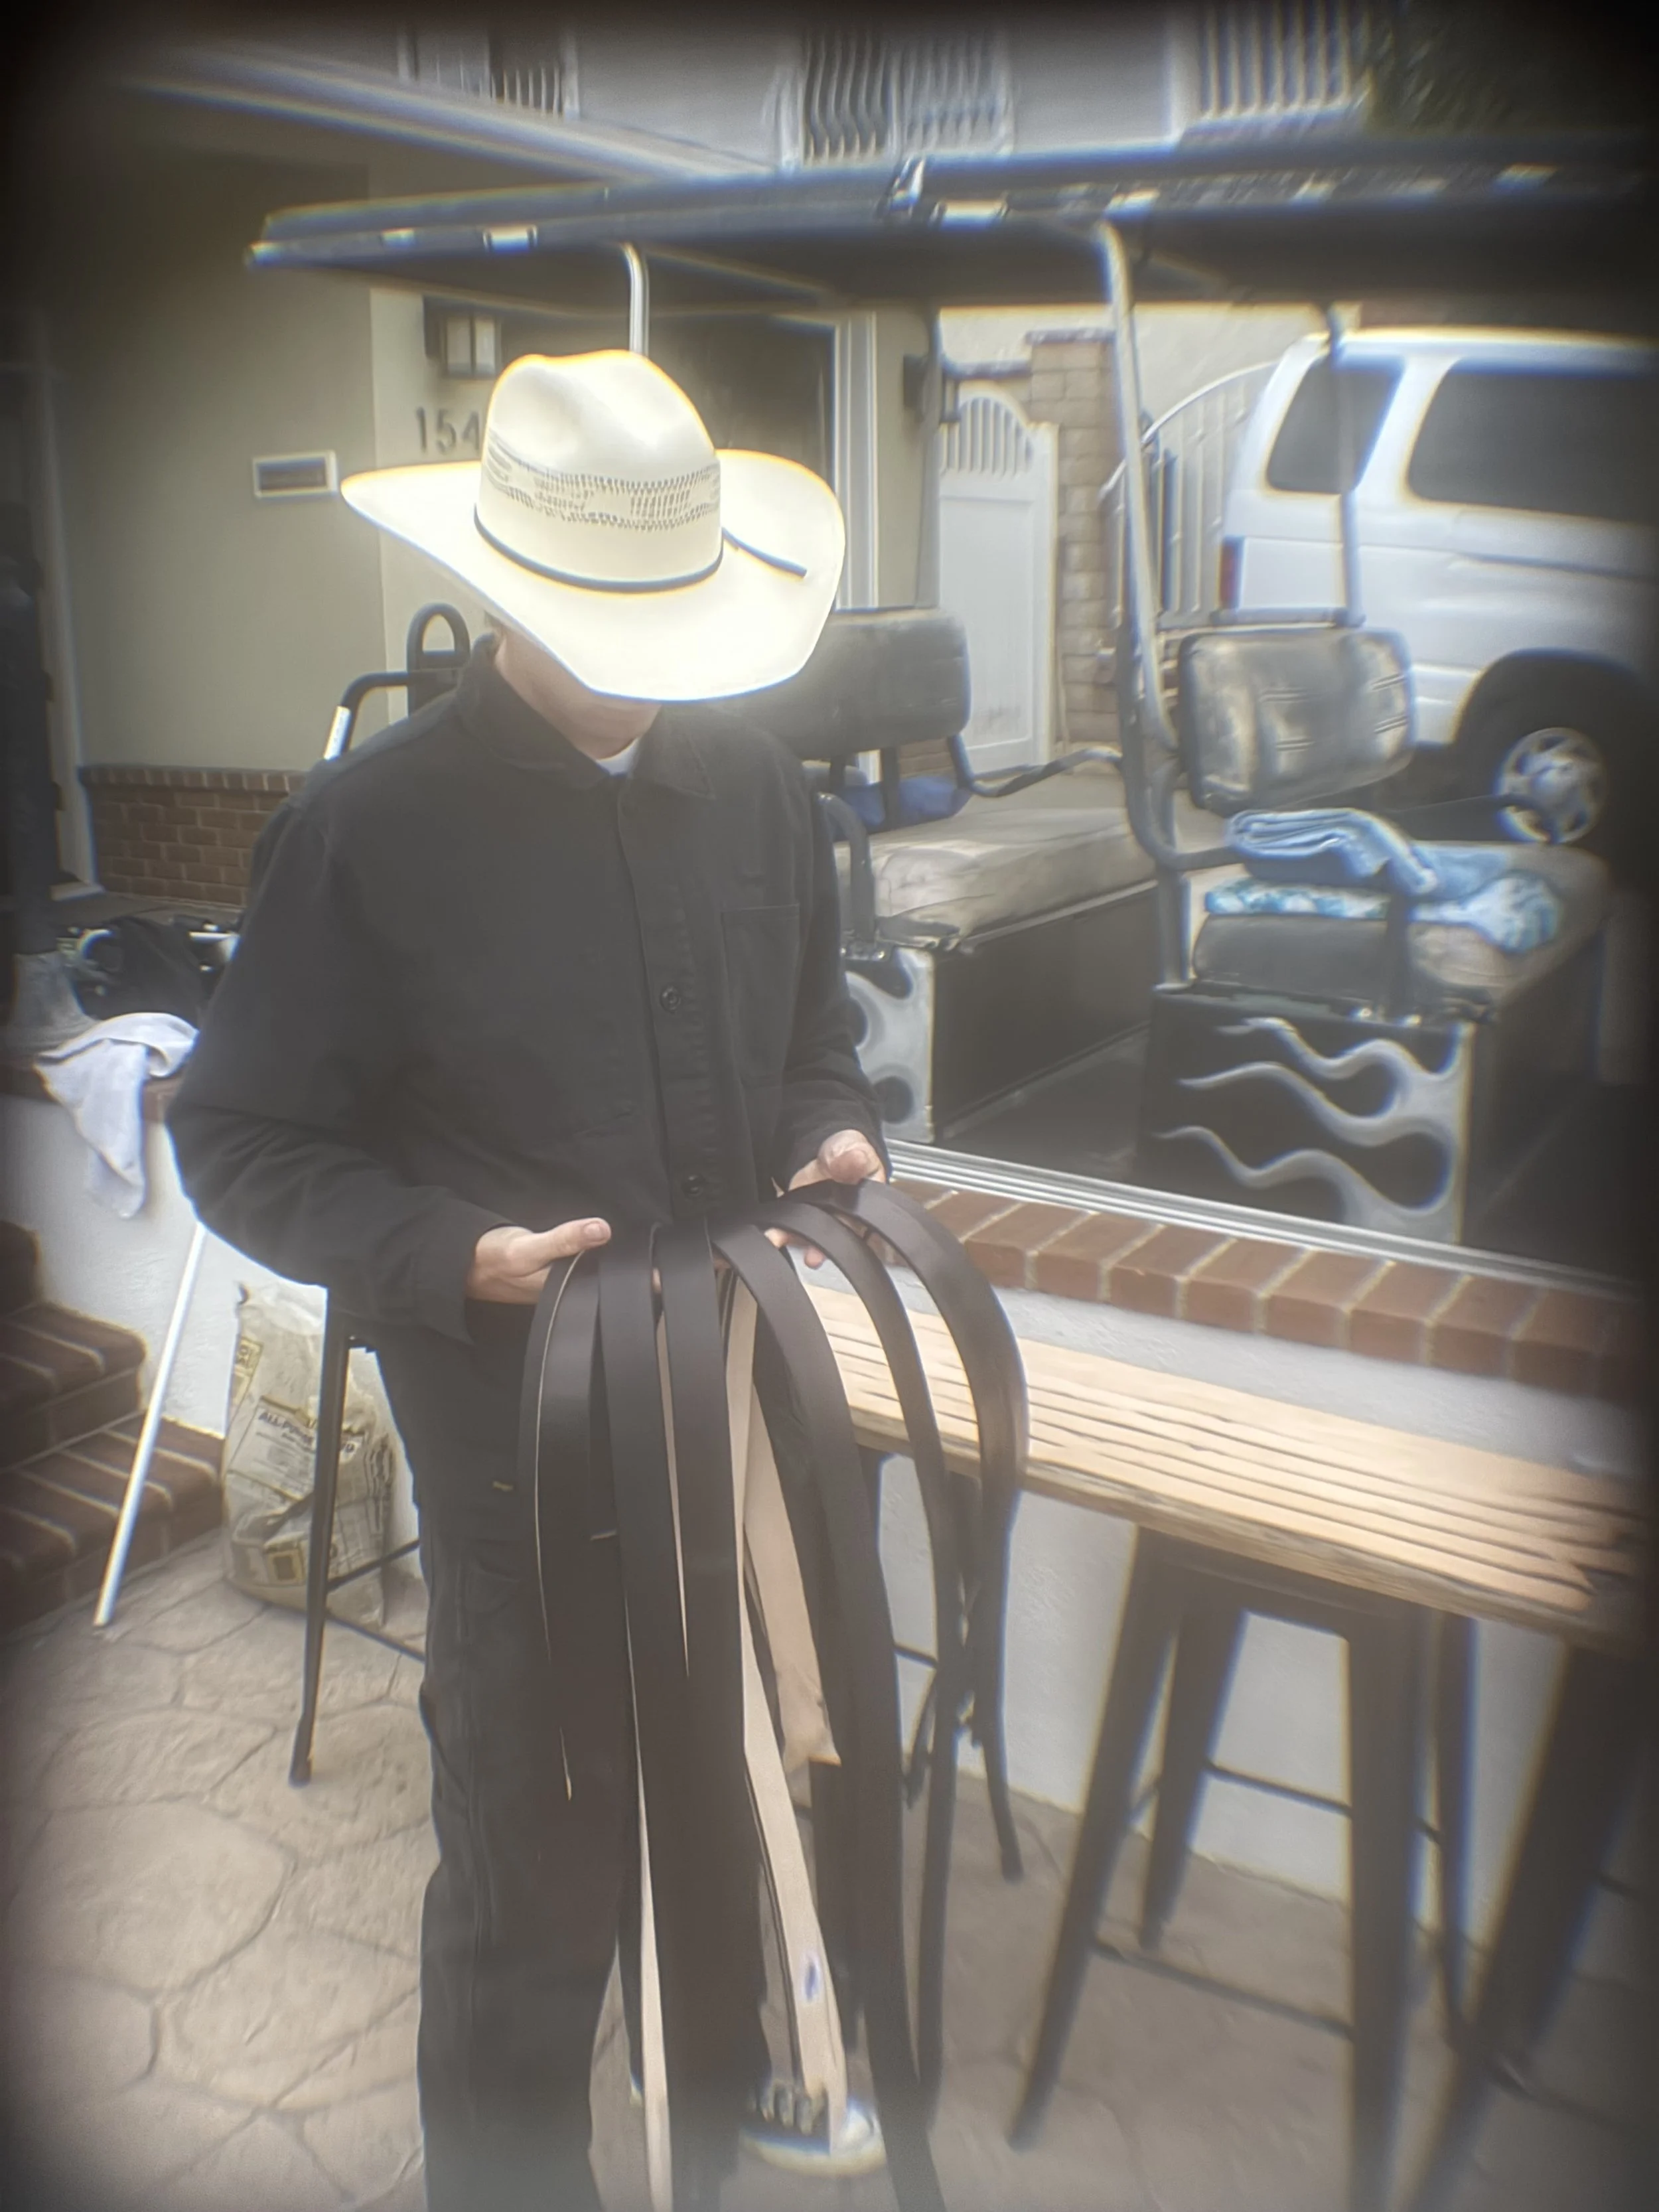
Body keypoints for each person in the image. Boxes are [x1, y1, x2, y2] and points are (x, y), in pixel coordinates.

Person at [169, 349, 888, 2212]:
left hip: (738, 1408)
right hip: (517, 1455)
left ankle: (709, 2125)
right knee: (537, 1854)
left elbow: (811, 1037)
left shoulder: (762, 791)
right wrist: (442, 1252)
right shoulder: (367, 829)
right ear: (507, 590)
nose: (643, 666)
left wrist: (830, 1126)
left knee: (732, 1801)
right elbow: (238, 1135)